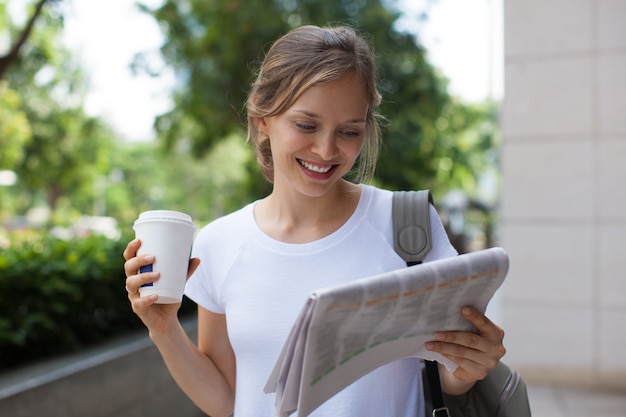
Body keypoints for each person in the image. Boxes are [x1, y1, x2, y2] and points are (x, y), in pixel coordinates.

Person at [123, 24, 506, 417]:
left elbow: (447, 375)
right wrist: (163, 329)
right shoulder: (219, 243)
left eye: (349, 131)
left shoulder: (406, 225)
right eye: (306, 125)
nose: (326, 150)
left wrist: (468, 366)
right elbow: (229, 402)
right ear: (262, 118)